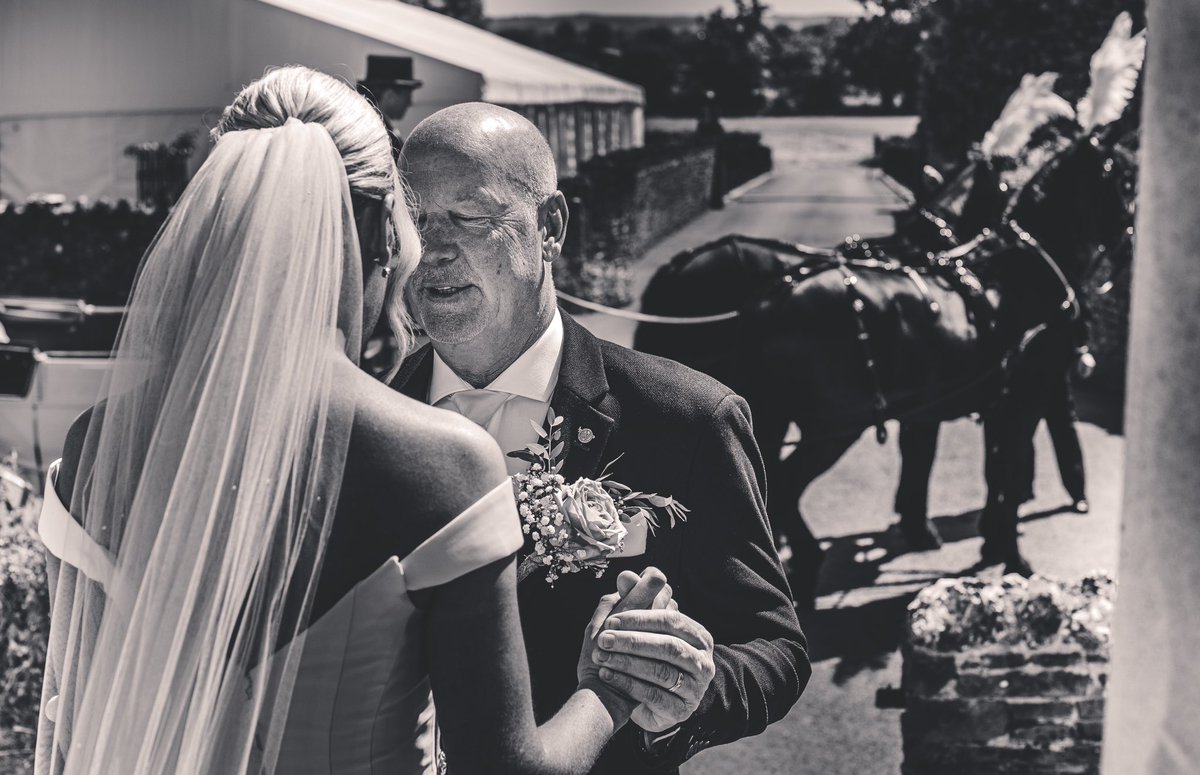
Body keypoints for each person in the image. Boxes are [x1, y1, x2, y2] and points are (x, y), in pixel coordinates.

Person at [33, 67, 670, 775]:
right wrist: (606, 687)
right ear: (380, 236)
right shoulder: (442, 464)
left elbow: (75, 731)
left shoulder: (97, 445)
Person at [391, 102, 810, 774]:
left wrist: (691, 687)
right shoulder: (367, 411)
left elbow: (774, 646)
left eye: (469, 216)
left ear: (550, 224)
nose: (433, 249)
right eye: (412, 220)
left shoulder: (687, 417)